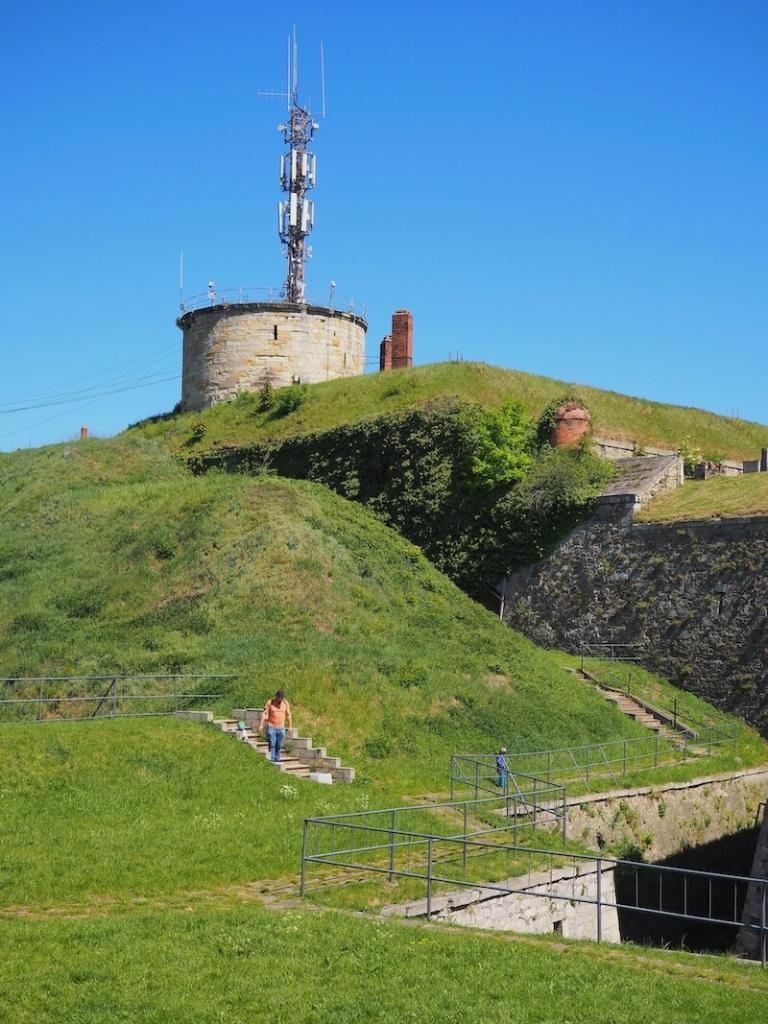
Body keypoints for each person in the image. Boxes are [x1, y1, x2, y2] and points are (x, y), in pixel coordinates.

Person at [262, 690, 292, 763]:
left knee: (279, 744)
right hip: (272, 726)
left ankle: (277, 758)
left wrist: (290, 726)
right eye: (279, 698)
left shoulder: (285, 703)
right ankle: (272, 759)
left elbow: (288, 715)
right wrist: (261, 725)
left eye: (281, 698)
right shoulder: (270, 702)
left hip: (281, 727)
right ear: (276, 696)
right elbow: (265, 713)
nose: (280, 700)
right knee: (272, 743)